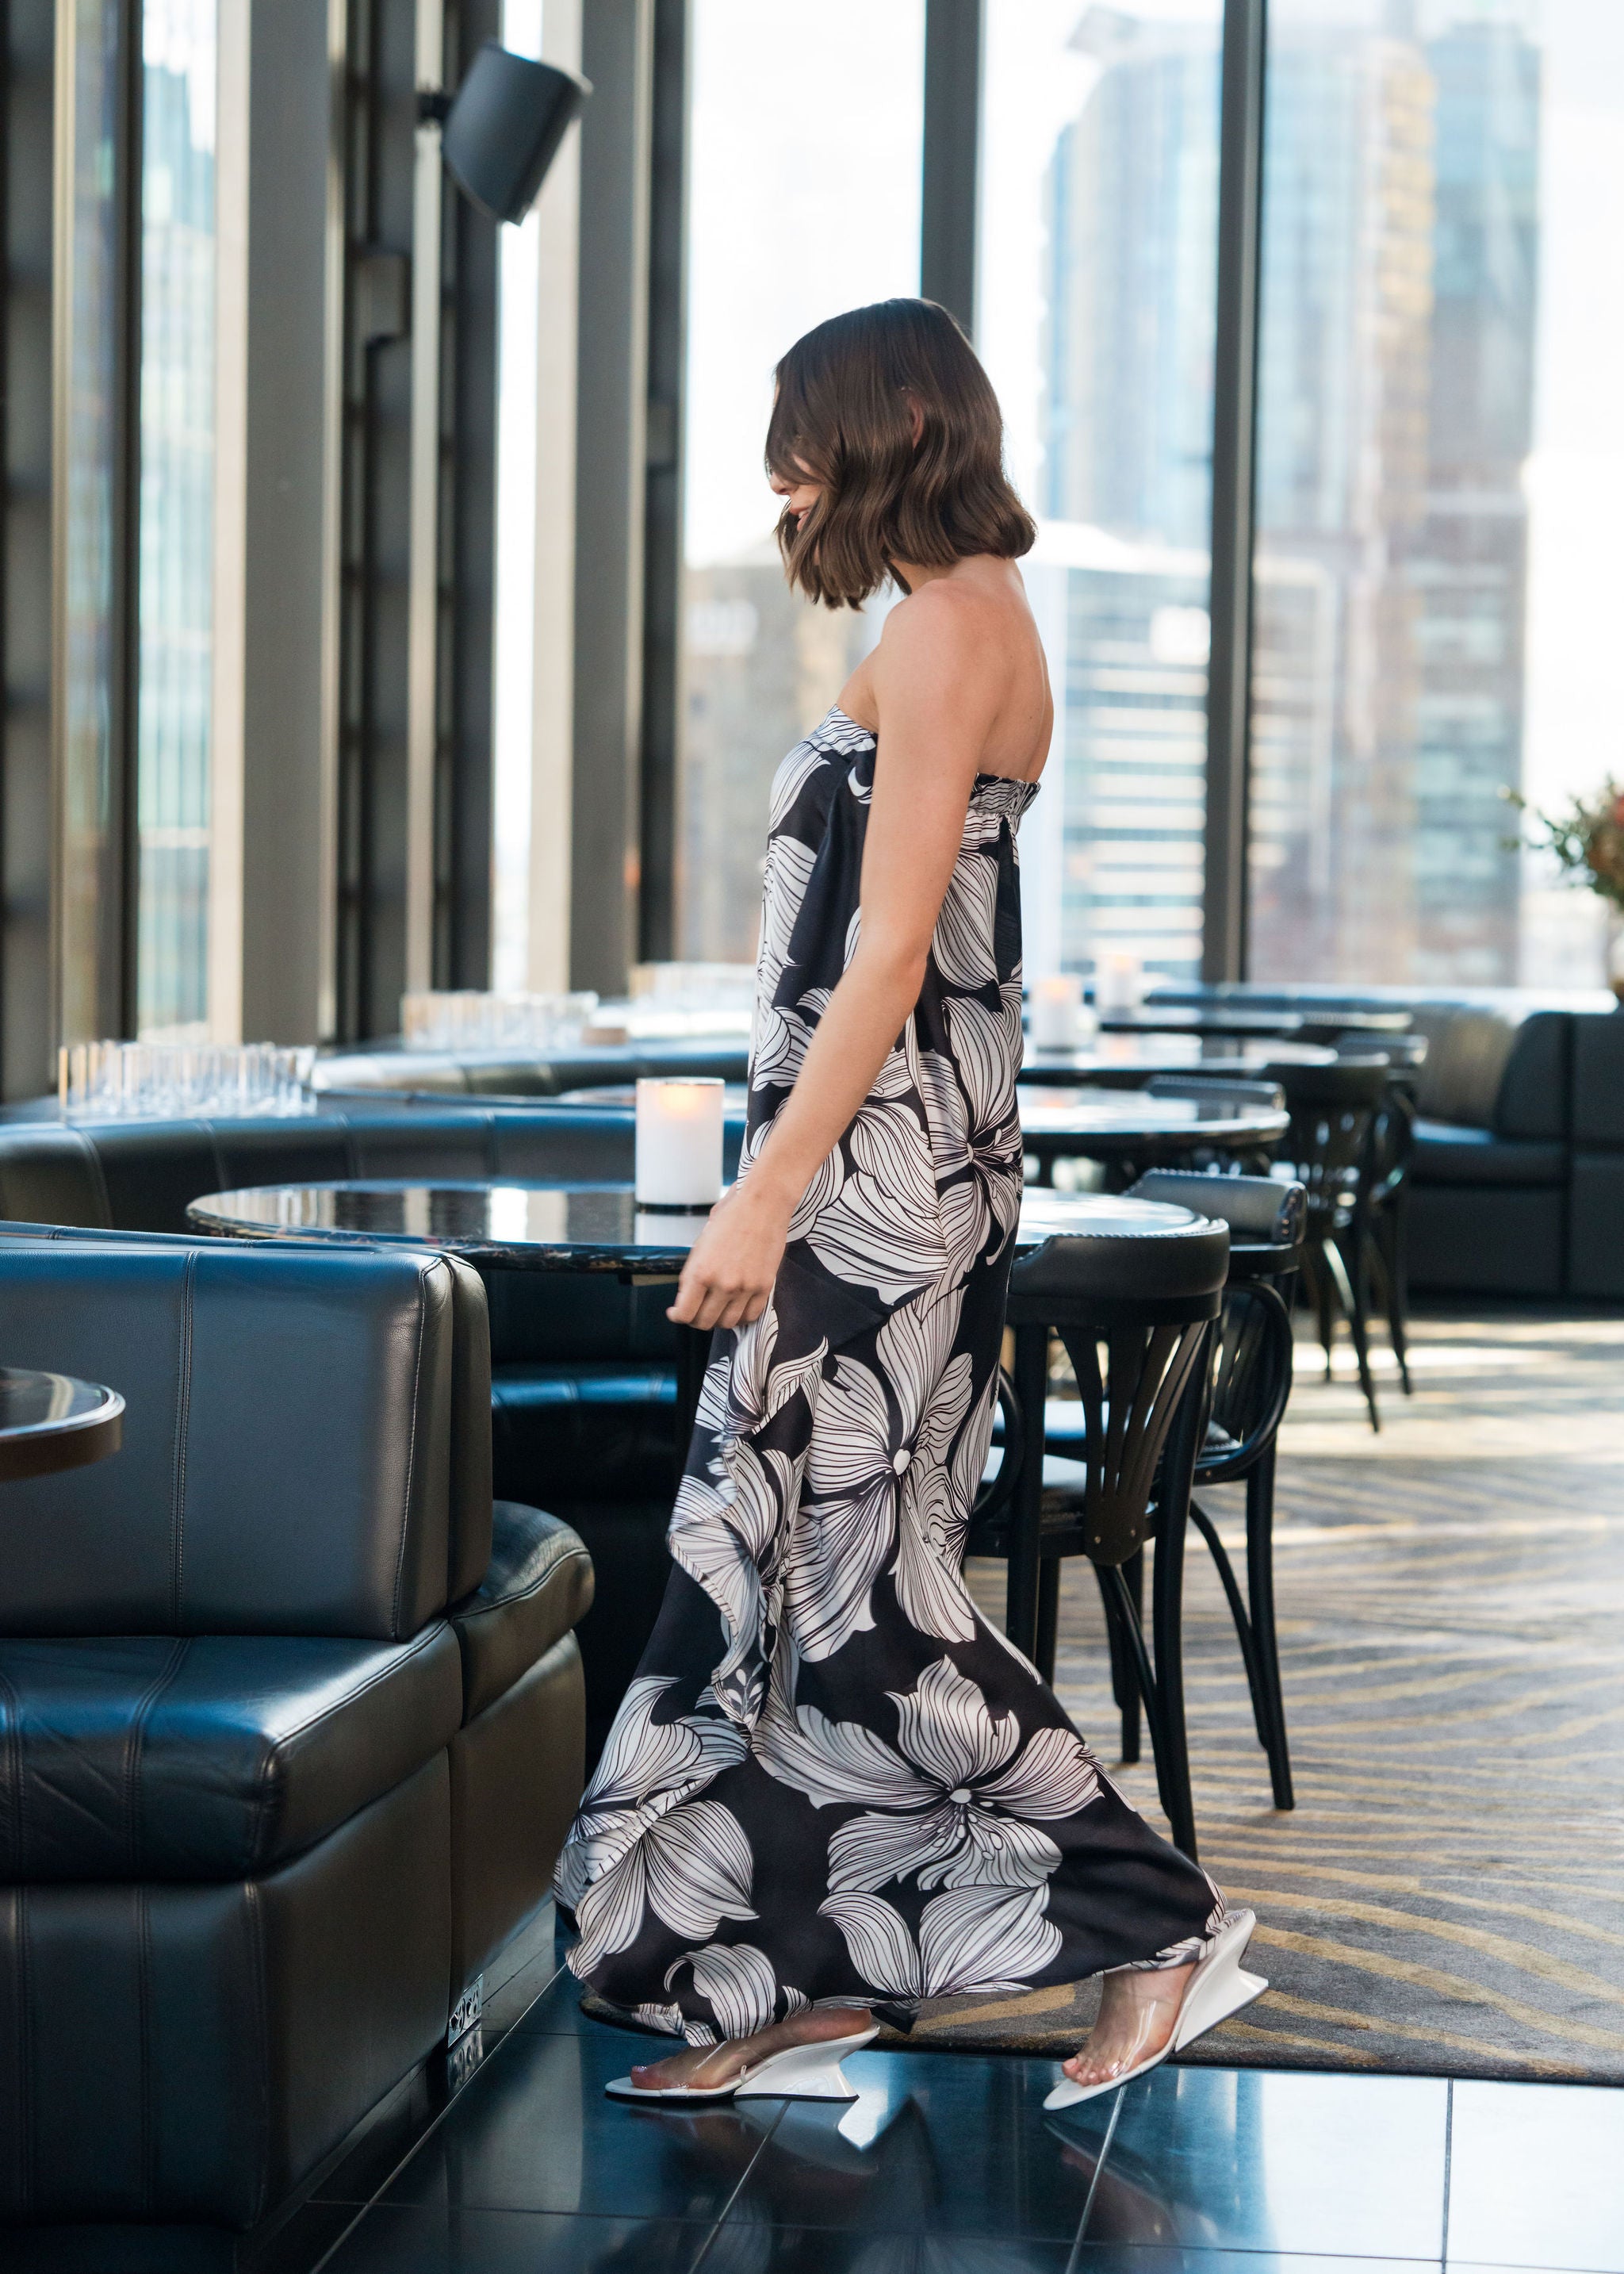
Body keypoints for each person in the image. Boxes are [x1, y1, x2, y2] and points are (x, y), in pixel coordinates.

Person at [553, 298, 1264, 2110]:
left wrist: (759, 1201)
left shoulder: (949, 628)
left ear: (876, 434)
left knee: (862, 1601)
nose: (781, 473)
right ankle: (797, 1989)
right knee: (795, 1583)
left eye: (800, 433)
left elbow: (882, 960)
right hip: (900, 1169)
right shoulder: (963, 620)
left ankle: (1156, 1925)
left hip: (868, 1189)